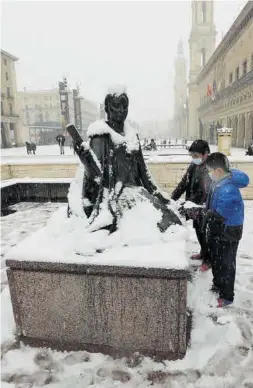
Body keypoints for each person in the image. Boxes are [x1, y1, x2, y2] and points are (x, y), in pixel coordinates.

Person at [68, 89, 182, 233]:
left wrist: (157, 194)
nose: (121, 110)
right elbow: (97, 180)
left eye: (124, 106)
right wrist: (87, 163)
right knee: (145, 227)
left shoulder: (132, 135)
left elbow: (143, 173)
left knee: (169, 221)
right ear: (107, 108)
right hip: (116, 198)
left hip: (137, 192)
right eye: (116, 106)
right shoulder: (100, 137)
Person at [202, 153, 249, 307]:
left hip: (229, 231)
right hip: (219, 228)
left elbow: (222, 213)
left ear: (219, 171)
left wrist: (207, 214)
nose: (208, 173)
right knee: (217, 259)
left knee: (226, 263)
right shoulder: (220, 182)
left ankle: (227, 295)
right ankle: (218, 284)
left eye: (210, 170)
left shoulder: (229, 188)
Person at [171, 139, 212, 271]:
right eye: (192, 156)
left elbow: (204, 191)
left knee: (204, 232)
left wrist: (188, 203)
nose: (194, 158)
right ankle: (203, 253)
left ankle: (208, 259)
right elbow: (184, 183)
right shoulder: (194, 165)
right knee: (199, 231)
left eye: (196, 156)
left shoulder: (210, 168)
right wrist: (172, 199)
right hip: (194, 205)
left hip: (204, 206)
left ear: (206, 153)